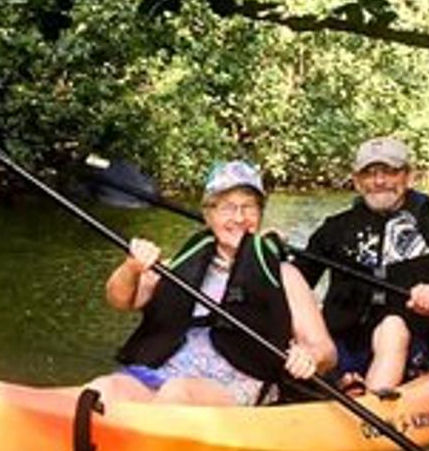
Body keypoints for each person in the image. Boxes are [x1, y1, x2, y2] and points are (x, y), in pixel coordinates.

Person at [89, 161, 335, 407]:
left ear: (260, 213)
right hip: (166, 369)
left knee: (178, 394)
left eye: (249, 207)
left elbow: (325, 350)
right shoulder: (178, 264)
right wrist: (131, 267)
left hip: (233, 381)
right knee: (103, 389)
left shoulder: (284, 275)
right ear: (209, 214)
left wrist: (310, 357)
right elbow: (120, 299)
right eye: (227, 207)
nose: (239, 217)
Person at [300, 136, 429, 396]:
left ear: (408, 176)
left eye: (389, 171)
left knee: (392, 327)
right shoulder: (334, 229)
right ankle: (342, 384)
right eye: (369, 173)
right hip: (340, 346)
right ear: (357, 181)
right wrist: (269, 254)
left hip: (409, 347)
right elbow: (295, 286)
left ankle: (369, 400)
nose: (379, 181)